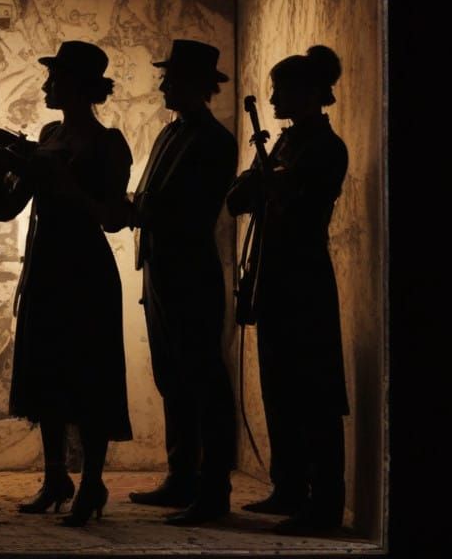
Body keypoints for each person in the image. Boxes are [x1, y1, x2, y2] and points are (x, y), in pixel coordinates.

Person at [0, 40, 132, 527]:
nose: (47, 85)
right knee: (46, 374)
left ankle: (91, 482)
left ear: (77, 85)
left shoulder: (108, 142)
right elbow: (7, 208)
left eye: (54, 78)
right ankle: (55, 478)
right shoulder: (48, 133)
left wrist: (64, 181)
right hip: (45, 267)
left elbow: (112, 219)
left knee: (89, 378)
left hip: (86, 270)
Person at [111, 40, 238, 525]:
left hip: (189, 270)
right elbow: (152, 195)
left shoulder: (214, 141)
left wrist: (129, 209)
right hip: (161, 268)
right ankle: (182, 476)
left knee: (203, 378)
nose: (162, 84)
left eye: (170, 77)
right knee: (171, 376)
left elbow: (187, 211)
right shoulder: (172, 134)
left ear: (193, 84)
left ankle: (214, 490)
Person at [226, 45, 349, 536]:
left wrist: (273, 184)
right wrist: (264, 181)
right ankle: (290, 486)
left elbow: (299, 202)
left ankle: (325, 503)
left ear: (312, 93)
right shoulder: (284, 144)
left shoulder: (325, 147)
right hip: (273, 275)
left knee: (313, 393)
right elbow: (240, 197)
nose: (273, 96)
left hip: (304, 278)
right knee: (278, 387)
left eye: (282, 88)